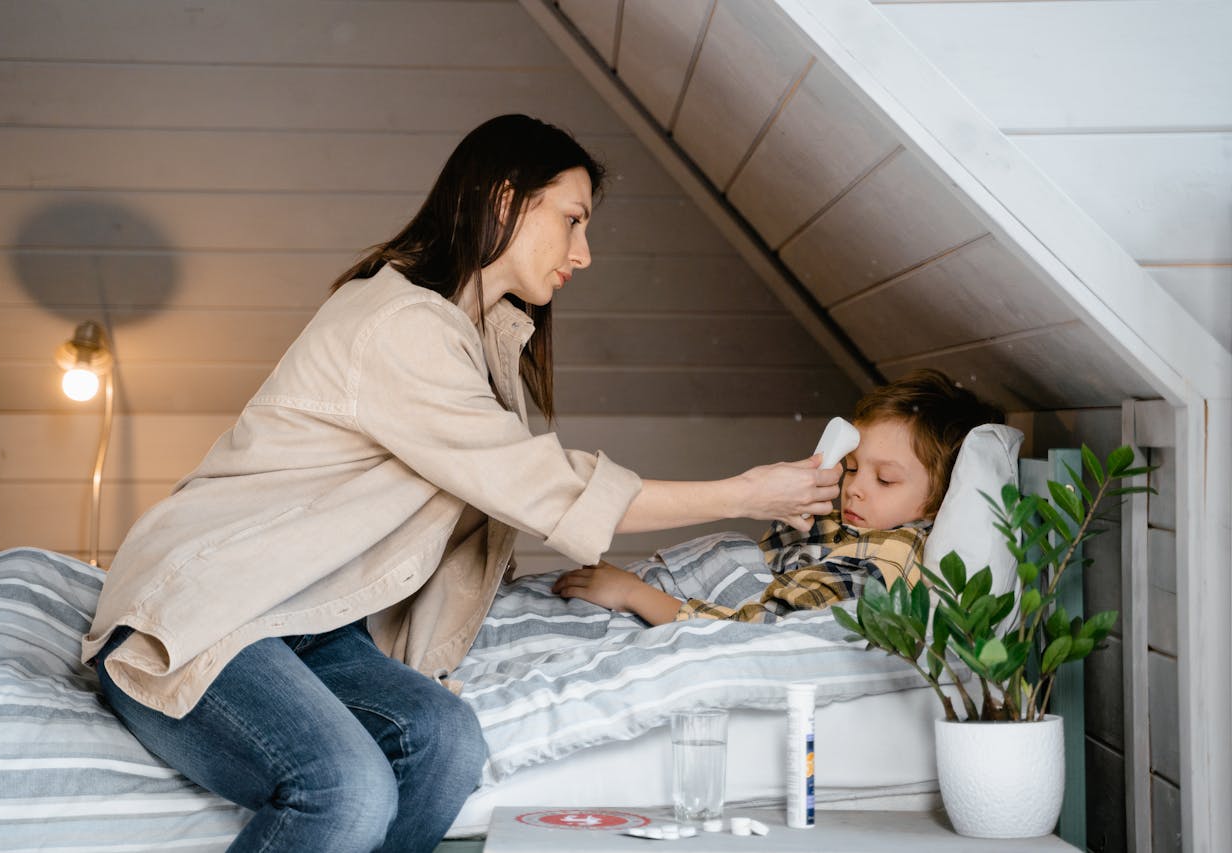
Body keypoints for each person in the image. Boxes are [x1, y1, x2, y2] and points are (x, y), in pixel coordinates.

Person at [80, 114, 842, 853]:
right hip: (211, 609)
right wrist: (746, 494)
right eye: (574, 220)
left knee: (444, 742)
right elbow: (546, 486)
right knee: (348, 788)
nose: (585, 252)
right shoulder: (402, 324)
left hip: (311, 619)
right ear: (507, 200)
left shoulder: (478, 336)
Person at [553, 369, 1004, 625]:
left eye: (885, 480)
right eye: (851, 467)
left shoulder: (884, 559)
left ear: (936, 501)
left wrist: (633, 594)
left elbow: (758, 632)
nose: (856, 486)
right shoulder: (839, 523)